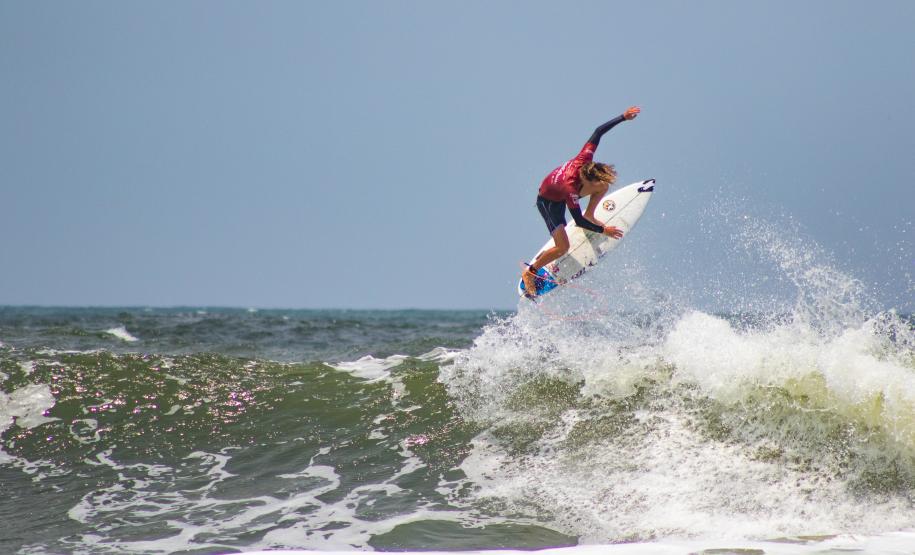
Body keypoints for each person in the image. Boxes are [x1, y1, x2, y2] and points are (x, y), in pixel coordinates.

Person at [521, 106, 641, 298]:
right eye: (594, 182)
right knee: (562, 247)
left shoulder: (585, 158)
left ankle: (590, 214)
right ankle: (530, 271)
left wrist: (623, 117)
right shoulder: (570, 189)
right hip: (549, 203)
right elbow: (577, 222)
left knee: (603, 186)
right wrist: (604, 231)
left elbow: (598, 131)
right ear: (585, 180)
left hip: (563, 192)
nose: (598, 185)